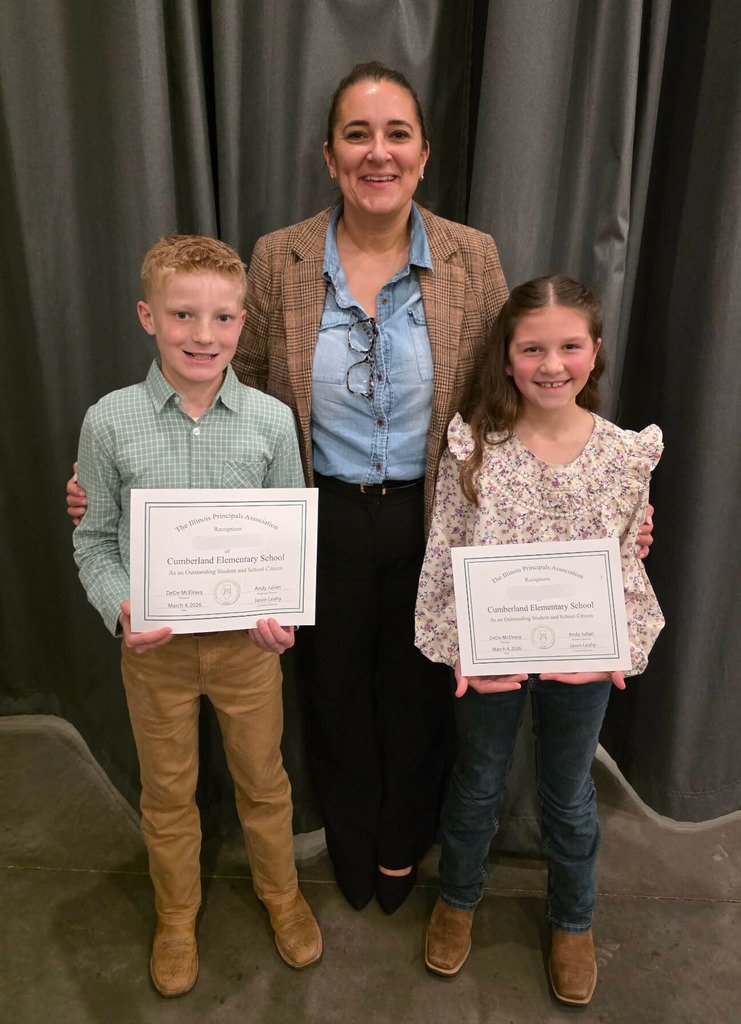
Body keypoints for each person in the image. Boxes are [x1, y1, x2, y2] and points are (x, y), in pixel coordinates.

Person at [67, 62, 654, 916]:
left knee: (420, 696)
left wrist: (615, 504)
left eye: (396, 134)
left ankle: (398, 847)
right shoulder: (280, 258)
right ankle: (349, 840)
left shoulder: (469, 255)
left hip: (434, 515)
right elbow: (243, 389)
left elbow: (510, 392)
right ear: (329, 154)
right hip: (316, 518)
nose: (377, 153)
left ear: (420, 155)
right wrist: (119, 488)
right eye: (357, 134)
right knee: (333, 694)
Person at [72, 235, 321, 998]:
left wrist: (283, 614)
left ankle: (280, 893)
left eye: (220, 318)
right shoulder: (110, 421)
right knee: (168, 791)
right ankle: (176, 914)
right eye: (182, 314)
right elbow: (93, 539)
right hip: (155, 653)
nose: (202, 336)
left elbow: (287, 541)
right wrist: (120, 607)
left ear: (243, 323)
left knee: (264, 781)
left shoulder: (273, 423)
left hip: (249, 654)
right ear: (149, 316)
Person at [414, 276, 664, 1005]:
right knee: (478, 782)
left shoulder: (624, 454)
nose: (551, 364)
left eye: (568, 346)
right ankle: (457, 901)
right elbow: (444, 554)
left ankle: (572, 920)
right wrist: (461, 652)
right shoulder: (473, 447)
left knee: (567, 793)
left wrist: (615, 646)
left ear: (594, 352)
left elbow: (625, 554)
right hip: (490, 661)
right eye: (532, 348)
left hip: (582, 662)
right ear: (507, 355)